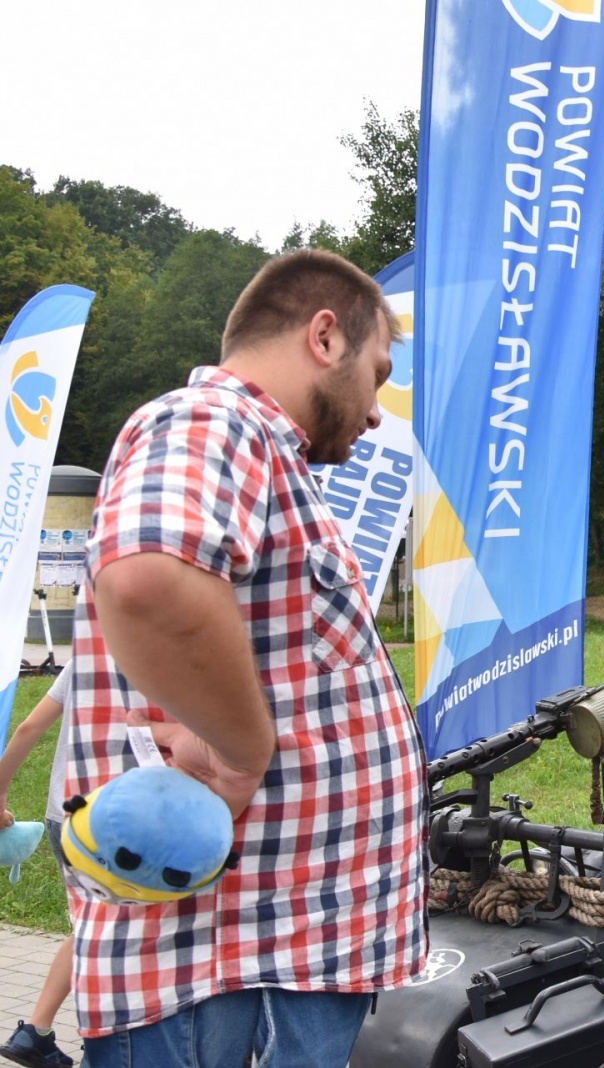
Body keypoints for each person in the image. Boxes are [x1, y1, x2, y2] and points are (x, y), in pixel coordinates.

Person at [59, 249, 429, 1068]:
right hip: (228, 967)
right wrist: (241, 750)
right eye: (378, 373)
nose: (375, 413)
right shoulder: (215, 422)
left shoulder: (253, 449)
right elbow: (151, 577)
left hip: (266, 955)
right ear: (324, 337)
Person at [0, 667, 75, 1068]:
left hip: (62, 816)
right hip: (117, 820)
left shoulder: (88, 649)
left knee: (89, 926)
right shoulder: (169, 648)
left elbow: (30, 726)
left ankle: (37, 1031)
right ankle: (106, 1039)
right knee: (109, 929)